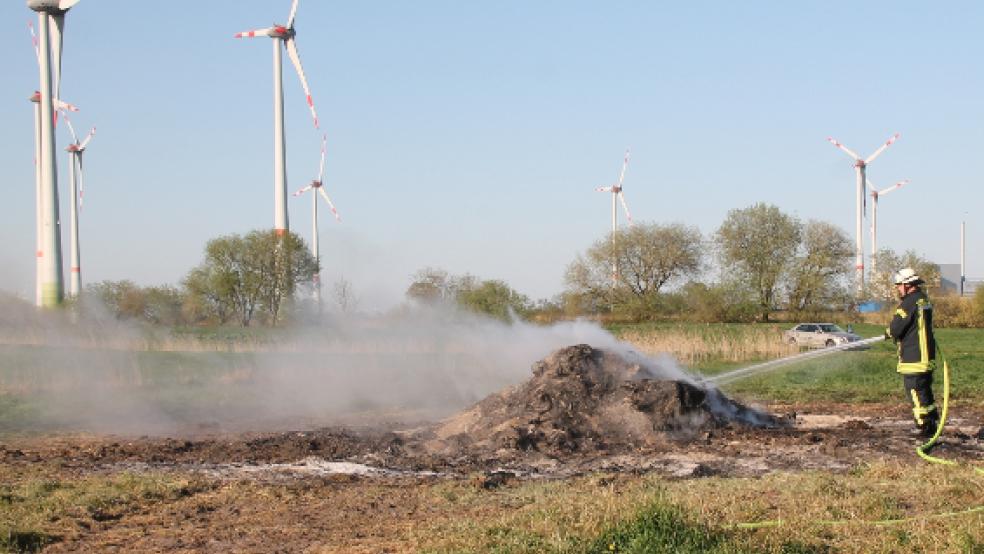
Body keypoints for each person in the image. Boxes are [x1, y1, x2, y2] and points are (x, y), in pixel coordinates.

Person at [886, 267, 939, 437]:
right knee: (924, 391)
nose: (898, 289)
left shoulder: (908, 303)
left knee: (915, 391)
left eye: (899, 285)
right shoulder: (924, 299)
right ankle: (932, 422)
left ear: (908, 285)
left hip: (914, 356)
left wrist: (889, 332)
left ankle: (924, 426)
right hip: (927, 355)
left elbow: (896, 328)